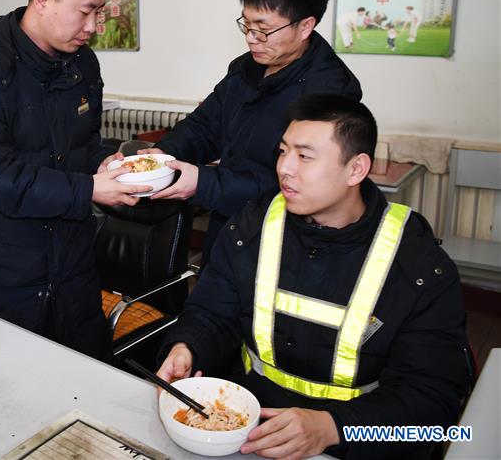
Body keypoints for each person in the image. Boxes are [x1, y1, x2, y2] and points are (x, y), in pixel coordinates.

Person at [156, 94, 471, 459]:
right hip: (247, 430)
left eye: (304, 156)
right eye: (282, 152)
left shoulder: (418, 266)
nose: (284, 168)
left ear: (356, 169)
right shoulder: (252, 227)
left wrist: (334, 427)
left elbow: (432, 403)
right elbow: (212, 313)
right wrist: (187, 347)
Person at [0, 0, 147, 361]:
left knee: (89, 380)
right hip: (0, 276)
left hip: (72, 269)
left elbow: (80, 145)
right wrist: (89, 189)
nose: (93, 27)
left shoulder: (82, 63)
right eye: (85, 11)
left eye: (99, 12)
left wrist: (104, 162)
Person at [102, 0, 362, 265]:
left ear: (305, 26)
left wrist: (203, 184)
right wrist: (163, 155)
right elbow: (205, 126)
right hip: (231, 224)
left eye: (263, 29)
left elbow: (298, 182)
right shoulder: (245, 69)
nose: (251, 39)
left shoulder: (330, 91)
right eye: (246, 25)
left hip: (285, 241)